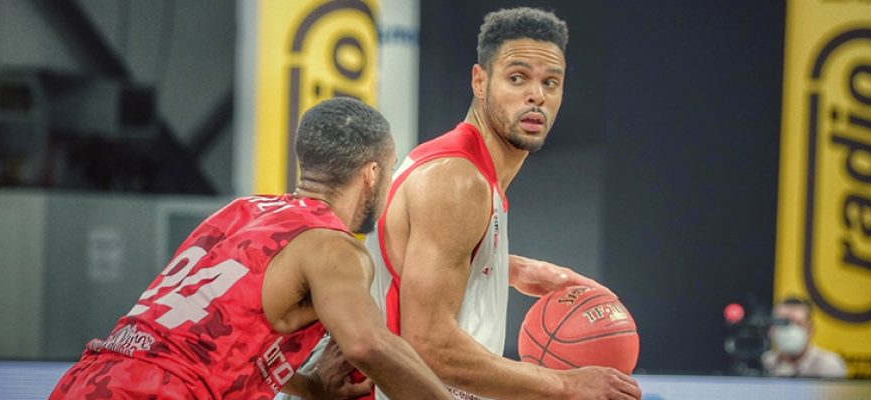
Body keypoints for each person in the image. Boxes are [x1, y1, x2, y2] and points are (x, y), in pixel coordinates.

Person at [50, 97, 452, 400]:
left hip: (90, 378)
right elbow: (368, 344)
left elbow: (204, 344)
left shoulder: (241, 211)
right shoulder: (332, 245)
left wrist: (311, 388)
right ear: (372, 174)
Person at [363, 7, 642, 400]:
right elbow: (430, 345)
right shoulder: (458, 180)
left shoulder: (468, 169)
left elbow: (420, 259)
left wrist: (509, 268)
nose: (536, 95)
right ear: (480, 81)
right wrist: (566, 384)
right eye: (517, 78)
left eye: (551, 82)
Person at [762, 297, 848, 378]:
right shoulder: (764, 363)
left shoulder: (829, 365)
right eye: (784, 323)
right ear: (772, 330)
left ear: (811, 329)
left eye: (798, 324)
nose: (790, 331)